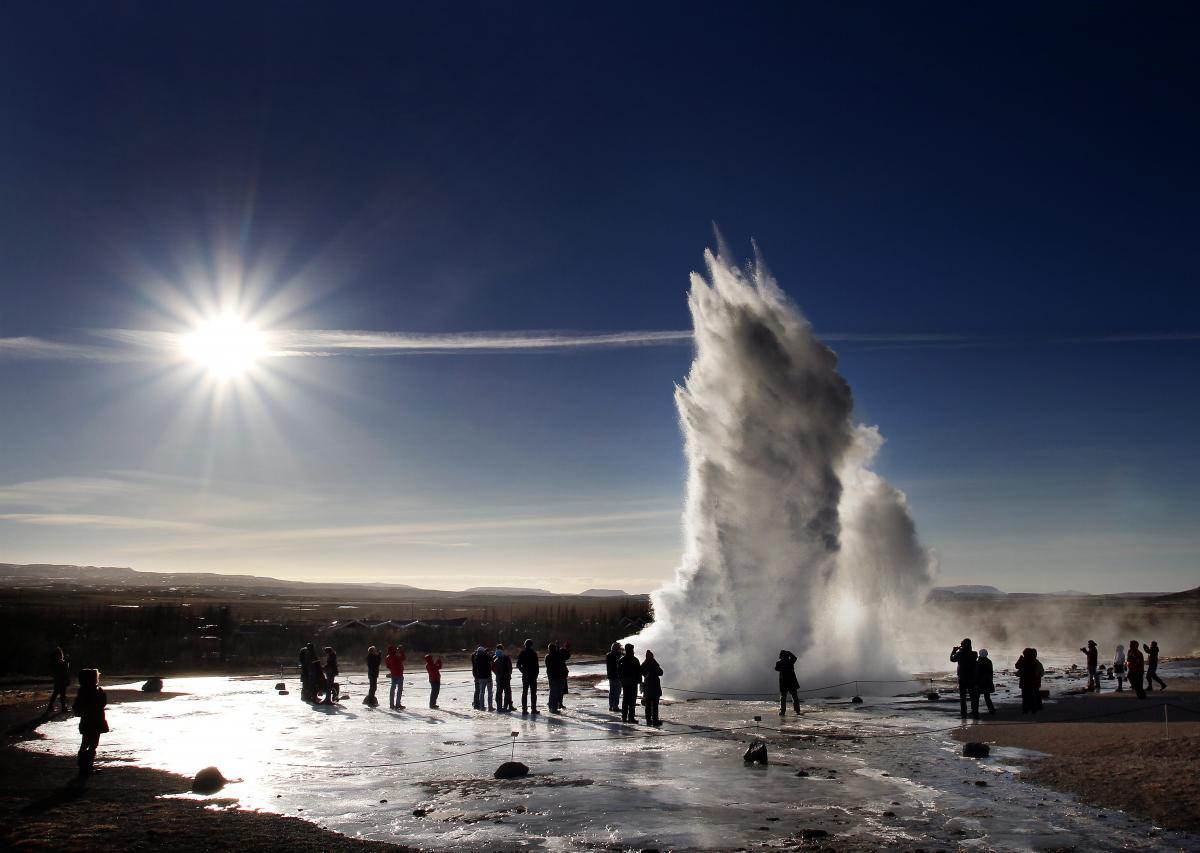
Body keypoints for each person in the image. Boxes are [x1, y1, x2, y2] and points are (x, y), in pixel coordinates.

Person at [72, 668, 108, 775]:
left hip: (86, 721)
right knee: (93, 744)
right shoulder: (96, 691)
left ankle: (82, 765)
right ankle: (88, 766)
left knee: (85, 743)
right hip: (96, 721)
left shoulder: (82, 691)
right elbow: (102, 704)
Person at [950, 638, 980, 718]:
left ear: (962, 645)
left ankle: (964, 713)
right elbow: (969, 654)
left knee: (962, 697)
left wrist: (954, 650)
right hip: (972, 677)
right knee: (973, 697)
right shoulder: (974, 654)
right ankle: (975, 712)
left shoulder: (960, 654)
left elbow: (952, 659)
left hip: (962, 677)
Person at [617, 643, 642, 723]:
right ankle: (631, 717)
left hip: (625, 683)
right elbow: (639, 672)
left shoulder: (622, 660)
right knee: (632, 701)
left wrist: (621, 680)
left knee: (625, 700)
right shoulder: (635, 660)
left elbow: (619, 672)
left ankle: (624, 717)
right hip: (633, 683)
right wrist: (640, 682)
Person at [1015, 647, 1044, 713]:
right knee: (1033, 696)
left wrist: (1020, 659)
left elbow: (1017, 666)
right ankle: (1034, 709)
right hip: (1034, 682)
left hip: (1025, 682)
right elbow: (1041, 673)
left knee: (1025, 697)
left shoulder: (1023, 661)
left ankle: (1025, 710)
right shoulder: (1036, 662)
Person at [545, 641, 571, 713]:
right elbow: (566, 656)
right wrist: (562, 649)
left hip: (553, 677)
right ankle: (554, 707)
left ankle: (552, 706)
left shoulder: (548, 656)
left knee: (553, 692)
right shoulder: (558, 655)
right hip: (559, 677)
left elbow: (566, 656)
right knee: (557, 692)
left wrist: (560, 650)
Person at [517, 639, 540, 715]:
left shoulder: (522, 653)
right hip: (533, 676)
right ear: (531, 645)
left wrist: (523, 671)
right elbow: (537, 666)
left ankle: (524, 710)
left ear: (525, 645)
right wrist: (536, 675)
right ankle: (533, 709)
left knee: (525, 693)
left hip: (526, 676)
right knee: (533, 693)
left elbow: (518, 665)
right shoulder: (534, 653)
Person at [775, 650, 801, 716]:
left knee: (783, 697)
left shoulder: (779, 663)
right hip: (791, 681)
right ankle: (797, 710)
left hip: (784, 682)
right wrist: (789, 653)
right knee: (794, 696)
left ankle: (783, 711)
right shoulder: (790, 662)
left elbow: (776, 669)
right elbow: (795, 658)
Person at [641, 650, 663, 727]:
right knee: (655, 706)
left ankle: (648, 720)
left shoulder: (644, 664)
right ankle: (655, 720)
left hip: (647, 686)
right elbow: (661, 672)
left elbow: (641, 671)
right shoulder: (654, 663)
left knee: (648, 705)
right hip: (655, 687)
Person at [47, 647, 70, 716]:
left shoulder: (54, 663)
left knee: (56, 693)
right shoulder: (61, 662)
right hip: (62, 680)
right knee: (62, 694)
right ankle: (63, 707)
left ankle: (50, 707)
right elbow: (65, 671)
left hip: (57, 680)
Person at [471, 646, 494, 711]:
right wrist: (487, 653)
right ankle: (490, 707)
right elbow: (491, 658)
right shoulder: (487, 657)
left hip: (480, 677)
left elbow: (474, 656)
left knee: (481, 692)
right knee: (489, 692)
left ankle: (481, 706)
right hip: (488, 676)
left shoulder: (476, 658)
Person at [493, 644, 514, 712]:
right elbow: (510, 667)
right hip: (505, 678)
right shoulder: (506, 658)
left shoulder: (495, 658)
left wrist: (497, 673)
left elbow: (493, 668)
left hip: (499, 678)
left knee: (499, 693)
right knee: (507, 693)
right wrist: (509, 673)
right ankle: (505, 707)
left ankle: (499, 707)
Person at [385, 645, 406, 709]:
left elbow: (387, 666)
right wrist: (401, 651)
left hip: (393, 674)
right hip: (399, 674)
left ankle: (391, 704)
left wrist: (392, 669)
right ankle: (397, 704)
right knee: (399, 690)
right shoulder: (396, 657)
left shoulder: (387, 657)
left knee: (392, 689)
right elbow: (403, 658)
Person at [975, 649, 996, 715]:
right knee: (987, 697)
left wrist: (975, 682)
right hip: (988, 682)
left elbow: (977, 673)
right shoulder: (989, 661)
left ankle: (975, 711)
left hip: (980, 682)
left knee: (976, 697)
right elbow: (990, 672)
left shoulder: (978, 662)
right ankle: (991, 710)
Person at [605, 641, 623, 713]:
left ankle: (611, 706)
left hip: (611, 676)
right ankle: (615, 706)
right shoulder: (617, 655)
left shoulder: (608, 655)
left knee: (612, 691)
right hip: (617, 676)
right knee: (617, 691)